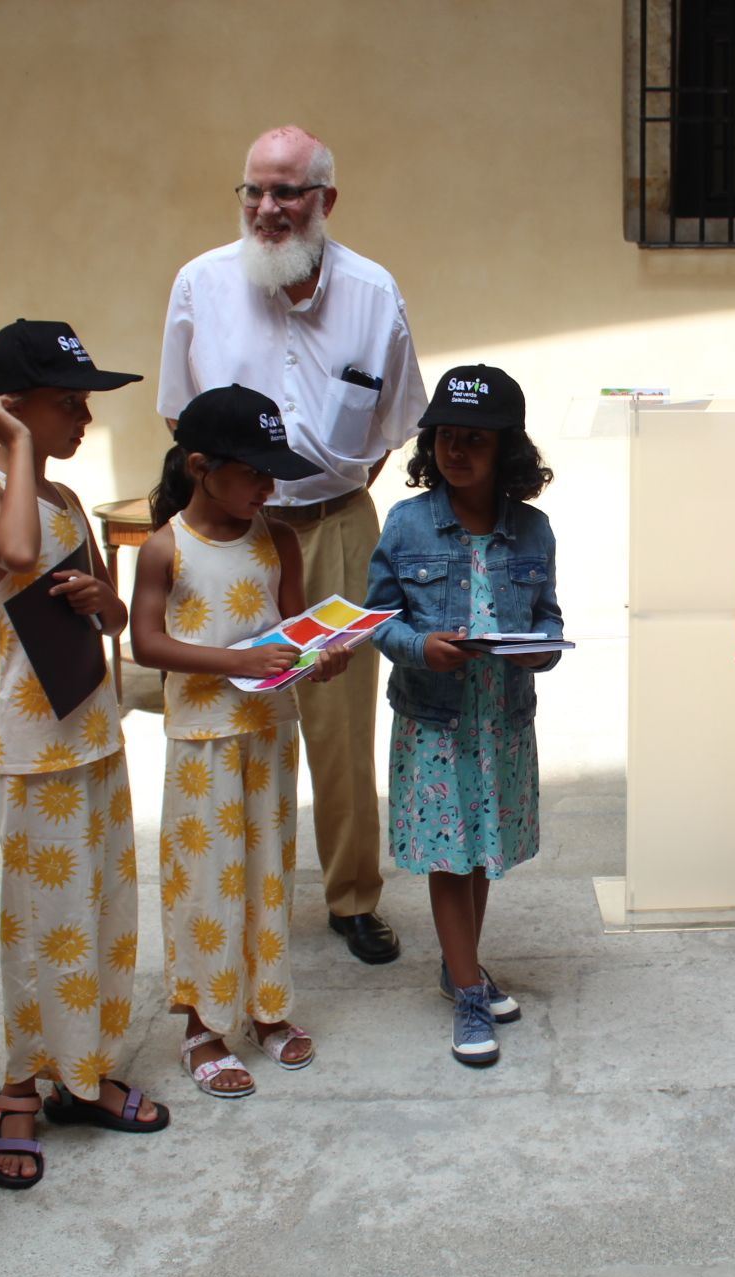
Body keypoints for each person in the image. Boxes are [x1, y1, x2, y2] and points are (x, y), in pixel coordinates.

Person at [158, 125, 429, 966]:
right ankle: (244, 889)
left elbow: (395, 425)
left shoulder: (375, 292)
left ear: (325, 202)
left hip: (339, 525)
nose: (268, 209)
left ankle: (352, 898)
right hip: (235, 540)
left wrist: (326, 492)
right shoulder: (200, 283)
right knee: (238, 717)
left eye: (287, 192)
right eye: (254, 192)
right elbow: (179, 411)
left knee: (340, 728)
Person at [0, 320, 166, 1189]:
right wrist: (17, 442)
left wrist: (104, 600)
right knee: (39, 916)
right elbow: (18, 553)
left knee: (102, 905)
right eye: (66, 405)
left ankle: (86, 1070)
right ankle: (19, 1087)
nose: (82, 421)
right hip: (33, 744)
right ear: (5, 411)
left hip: (91, 727)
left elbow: (108, 622)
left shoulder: (70, 501)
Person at [129, 385, 350, 1097]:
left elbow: (290, 633)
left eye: (272, 471)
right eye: (253, 472)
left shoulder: (279, 539)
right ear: (200, 466)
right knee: (203, 883)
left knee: (266, 873)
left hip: (267, 735)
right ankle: (202, 1024)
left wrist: (324, 655)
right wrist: (235, 661)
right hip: (202, 744)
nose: (269, 485)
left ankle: (267, 1006)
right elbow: (146, 642)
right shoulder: (167, 547)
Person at [364, 365, 561, 1066]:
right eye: (447, 437)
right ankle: (469, 989)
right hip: (436, 721)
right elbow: (376, 620)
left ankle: (461, 964)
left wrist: (541, 653)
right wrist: (420, 645)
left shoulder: (533, 532)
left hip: (501, 721)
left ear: (507, 450)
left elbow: (548, 620)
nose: (457, 452)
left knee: (481, 848)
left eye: (475, 440)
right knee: (449, 856)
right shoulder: (407, 523)